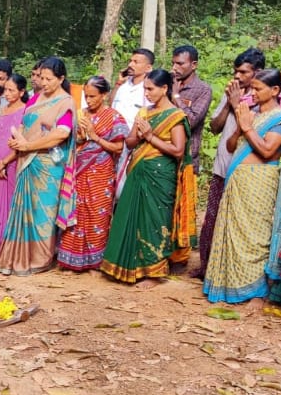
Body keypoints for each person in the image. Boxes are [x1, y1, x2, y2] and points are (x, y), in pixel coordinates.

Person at [203, 69, 281, 307]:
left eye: (258, 89)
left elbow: (266, 151)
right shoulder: (250, 115)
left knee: (255, 236)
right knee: (234, 233)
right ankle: (230, 285)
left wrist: (247, 128)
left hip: (260, 183)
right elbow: (232, 146)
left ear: (275, 90)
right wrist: (241, 126)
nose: (252, 93)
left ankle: (256, 291)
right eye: (251, 88)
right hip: (238, 181)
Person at [100, 69, 197, 289]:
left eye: (151, 89)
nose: (147, 93)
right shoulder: (144, 113)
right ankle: (128, 265)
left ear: (164, 89)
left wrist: (150, 136)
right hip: (139, 171)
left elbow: (178, 150)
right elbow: (131, 142)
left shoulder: (175, 117)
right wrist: (138, 132)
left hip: (160, 176)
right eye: (145, 89)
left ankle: (154, 272)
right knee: (131, 216)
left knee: (154, 220)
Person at [0, 56, 76, 277]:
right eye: (41, 77)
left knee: (42, 213)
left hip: (48, 165)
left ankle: (40, 259)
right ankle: (14, 258)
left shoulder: (65, 102)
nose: (43, 82)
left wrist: (28, 145)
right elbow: (23, 124)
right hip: (26, 161)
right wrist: (17, 139)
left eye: (49, 79)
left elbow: (62, 134)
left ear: (61, 79)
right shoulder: (36, 98)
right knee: (22, 209)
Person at [192, 48, 267, 280]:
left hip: (246, 170)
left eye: (243, 72)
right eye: (236, 71)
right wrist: (229, 103)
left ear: (258, 72)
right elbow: (215, 127)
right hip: (222, 166)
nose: (238, 76)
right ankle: (206, 266)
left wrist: (238, 105)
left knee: (236, 222)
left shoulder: (262, 97)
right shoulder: (231, 92)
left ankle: (227, 271)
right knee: (212, 219)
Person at [56, 76, 128, 272]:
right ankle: (72, 258)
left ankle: (96, 260)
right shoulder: (81, 114)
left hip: (101, 174)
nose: (88, 100)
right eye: (86, 96)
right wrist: (81, 137)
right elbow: (75, 142)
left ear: (104, 95)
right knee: (76, 213)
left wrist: (95, 136)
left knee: (97, 215)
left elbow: (118, 148)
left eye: (93, 96)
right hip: (79, 172)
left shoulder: (114, 117)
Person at [0, 74, 27, 264]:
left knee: (11, 208)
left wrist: (5, 162)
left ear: (21, 92)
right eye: (6, 90)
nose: (7, 94)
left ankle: (8, 251)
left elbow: (22, 143)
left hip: (13, 165)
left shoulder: (26, 112)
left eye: (12, 90)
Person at [111, 48, 154, 197]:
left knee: (124, 189)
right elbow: (110, 106)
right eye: (130, 60)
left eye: (136, 62)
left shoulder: (148, 90)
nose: (131, 64)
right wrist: (117, 84)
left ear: (148, 68)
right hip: (113, 143)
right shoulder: (123, 85)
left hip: (132, 145)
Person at [170, 45, 213, 174]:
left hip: (186, 158)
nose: (174, 68)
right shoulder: (168, 83)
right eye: (173, 63)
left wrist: (176, 97)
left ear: (193, 65)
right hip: (163, 155)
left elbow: (191, 121)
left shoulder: (203, 90)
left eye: (180, 64)